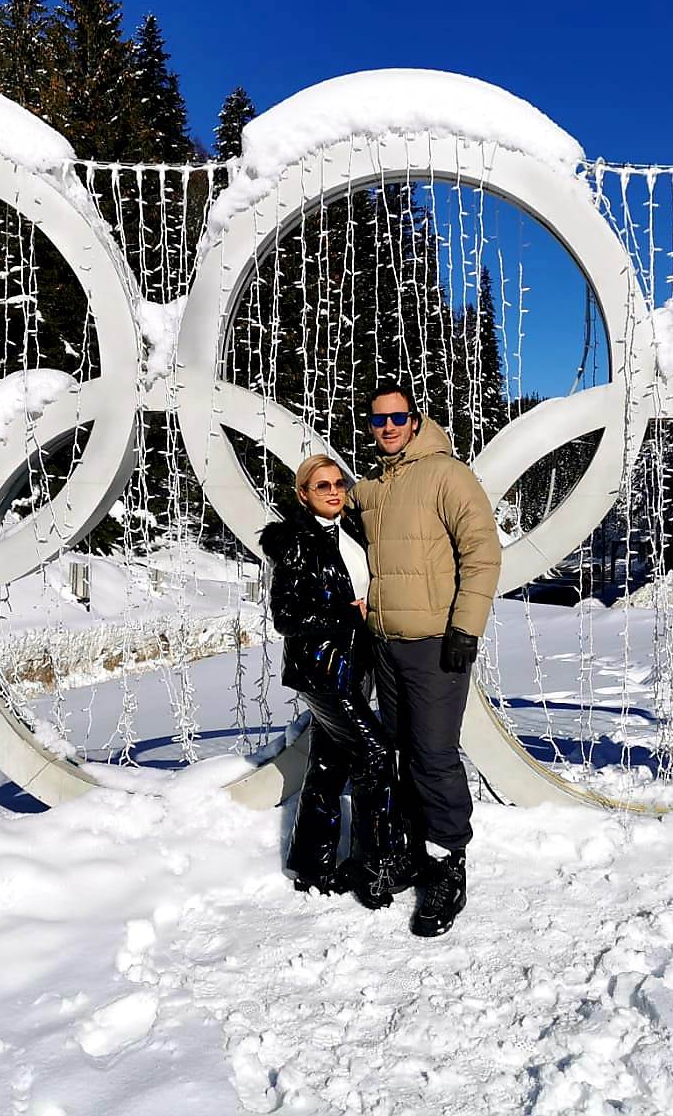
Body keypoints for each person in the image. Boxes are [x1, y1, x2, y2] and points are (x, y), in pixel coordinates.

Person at [352, 382, 501, 937]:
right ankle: (411, 850)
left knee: (433, 756)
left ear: (416, 420)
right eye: (377, 420)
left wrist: (465, 627)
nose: (387, 427)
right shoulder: (376, 487)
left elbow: (483, 553)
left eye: (397, 417)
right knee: (397, 754)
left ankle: (448, 864)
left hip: (437, 645)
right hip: (386, 646)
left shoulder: (447, 475)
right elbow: (338, 509)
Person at [259, 453, 413, 911]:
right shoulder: (296, 542)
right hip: (323, 670)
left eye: (337, 483)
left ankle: (312, 863)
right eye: (320, 485)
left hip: (354, 665)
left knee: (329, 765)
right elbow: (285, 617)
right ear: (303, 494)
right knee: (377, 753)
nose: (332, 491)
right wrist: (347, 614)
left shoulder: (352, 531)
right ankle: (375, 866)